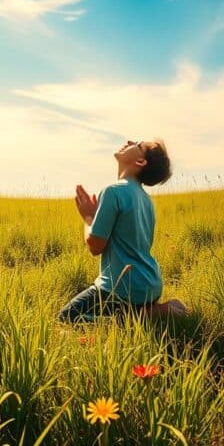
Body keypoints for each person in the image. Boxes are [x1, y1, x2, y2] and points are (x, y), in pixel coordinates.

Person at [57, 138, 186, 323]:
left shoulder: (113, 192)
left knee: (66, 318)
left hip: (122, 289)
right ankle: (149, 309)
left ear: (140, 162)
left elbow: (95, 246)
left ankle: (141, 317)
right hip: (150, 286)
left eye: (139, 144)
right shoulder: (146, 200)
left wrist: (88, 218)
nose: (130, 141)